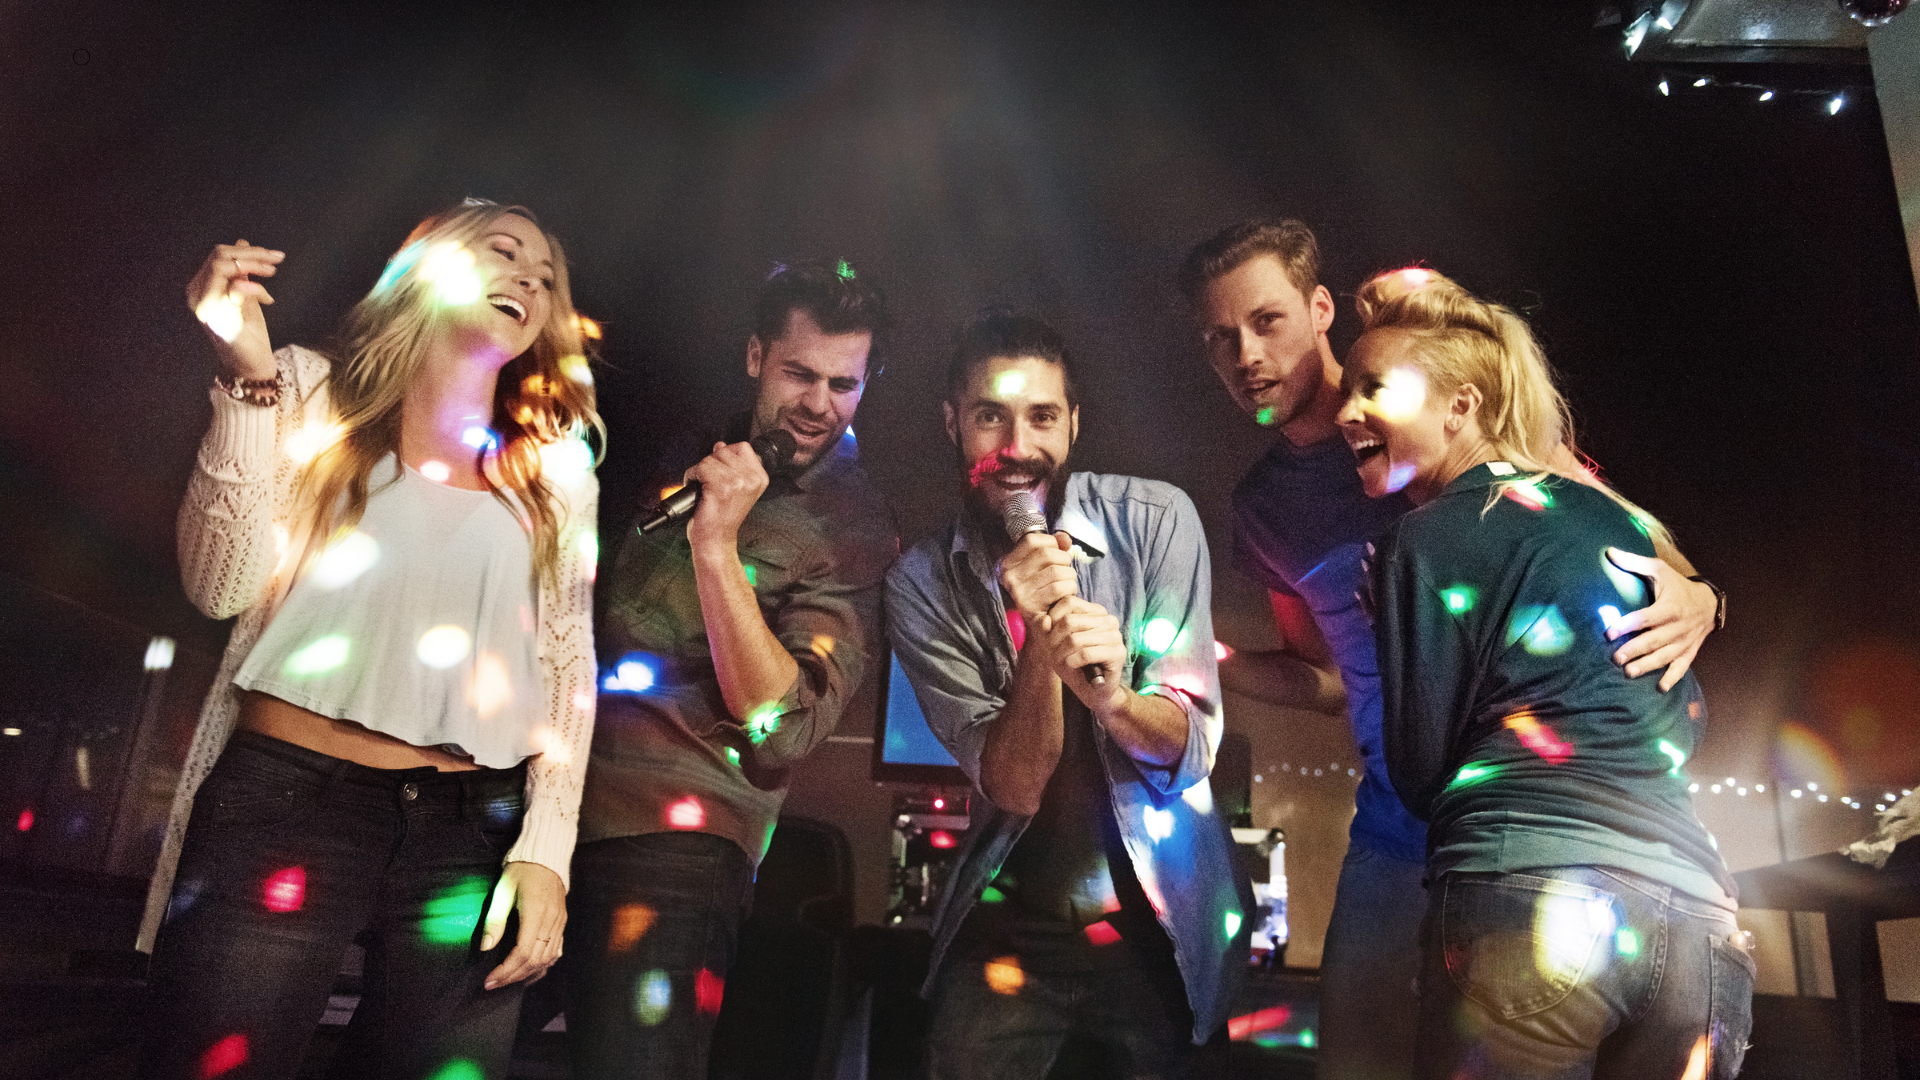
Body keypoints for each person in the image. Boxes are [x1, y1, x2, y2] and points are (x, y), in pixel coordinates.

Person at [1176, 220, 1723, 1080]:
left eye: (1266, 320)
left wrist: (1703, 597)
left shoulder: (1441, 411)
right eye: (1219, 337)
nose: (1245, 354)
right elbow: (1325, 677)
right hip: (1396, 827)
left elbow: (1627, 545)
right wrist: (1205, 660)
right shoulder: (1263, 509)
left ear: (1320, 310)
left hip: (1536, 831)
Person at [139, 200, 604, 1080]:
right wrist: (247, 383)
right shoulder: (308, 390)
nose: (528, 280)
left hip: (471, 835)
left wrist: (546, 851)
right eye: (504, 252)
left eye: (545, 277)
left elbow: (565, 668)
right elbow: (218, 585)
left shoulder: (556, 471)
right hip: (286, 803)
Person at [1339, 267, 1753, 1079]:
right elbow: (1684, 713)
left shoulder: (1422, 539)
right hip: (1702, 930)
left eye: (1373, 390)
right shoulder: (1607, 516)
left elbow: (1420, 772)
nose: (1346, 412)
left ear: (1460, 406)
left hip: (1529, 908)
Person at [886, 311, 1247, 1080]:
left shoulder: (1157, 520)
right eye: (991, 417)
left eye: (1042, 417)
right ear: (953, 423)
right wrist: (1040, 635)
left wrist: (1114, 700)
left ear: (1074, 423)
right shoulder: (919, 582)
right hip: (1012, 920)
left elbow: (1189, 751)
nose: (1017, 446)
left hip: (1164, 922)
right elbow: (1015, 786)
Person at [568, 260, 897, 1078]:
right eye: (799, 374)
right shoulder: (690, 447)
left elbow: (784, 729)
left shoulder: (852, 528)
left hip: (675, 842)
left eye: (844, 384)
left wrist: (716, 544)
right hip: (546, 801)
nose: (819, 403)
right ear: (756, 356)